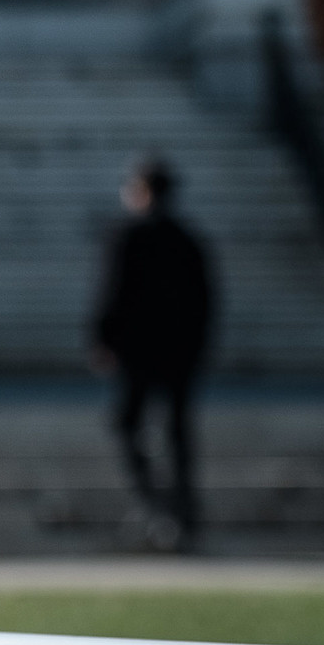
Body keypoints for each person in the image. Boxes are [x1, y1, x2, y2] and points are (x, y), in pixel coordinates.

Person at [91, 156, 215, 547]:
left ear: (142, 190)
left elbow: (113, 292)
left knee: (129, 423)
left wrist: (104, 339)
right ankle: (182, 508)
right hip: (178, 352)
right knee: (177, 430)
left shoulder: (129, 236)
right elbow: (206, 301)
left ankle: (154, 501)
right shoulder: (188, 240)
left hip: (139, 351)